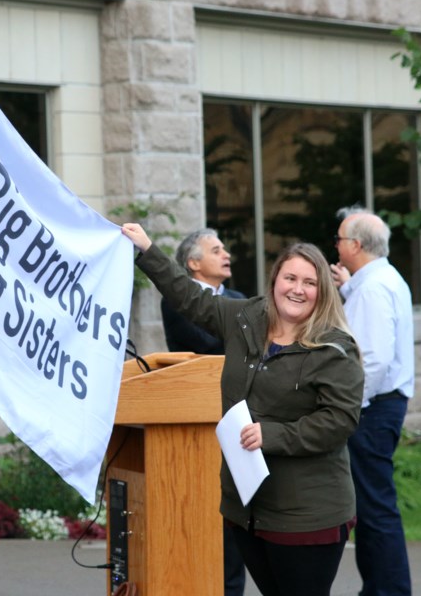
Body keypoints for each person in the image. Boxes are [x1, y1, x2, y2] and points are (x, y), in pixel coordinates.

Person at [122, 223, 364, 596]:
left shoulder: (335, 348)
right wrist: (146, 250)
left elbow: (339, 421)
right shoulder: (248, 317)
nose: (297, 289)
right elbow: (190, 298)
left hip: (306, 516)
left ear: (323, 292)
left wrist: (274, 434)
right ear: (275, 280)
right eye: (290, 278)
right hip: (248, 510)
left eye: (310, 283)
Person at [331, 206, 414, 596]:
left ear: (356, 245)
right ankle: (381, 588)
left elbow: (374, 358)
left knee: (374, 507)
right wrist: (348, 287)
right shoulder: (377, 280)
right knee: (370, 505)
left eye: (340, 239)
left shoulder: (374, 287)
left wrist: (349, 407)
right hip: (382, 404)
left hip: (373, 407)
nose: (336, 245)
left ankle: (388, 590)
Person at [159, 229, 246, 596]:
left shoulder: (240, 299)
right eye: (216, 250)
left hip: (238, 416)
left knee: (235, 518)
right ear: (193, 263)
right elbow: (206, 342)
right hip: (196, 416)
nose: (226, 254)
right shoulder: (177, 301)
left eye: (225, 248)